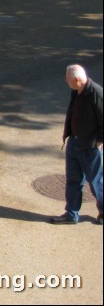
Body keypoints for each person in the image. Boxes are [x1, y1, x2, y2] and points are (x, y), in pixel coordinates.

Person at [50, 65, 103, 225]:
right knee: (73, 180)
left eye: (67, 79)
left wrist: (99, 141)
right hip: (74, 142)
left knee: (96, 181)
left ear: (76, 80)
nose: (65, 81)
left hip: (89, 146)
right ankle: (71, 214)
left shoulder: (97, 94)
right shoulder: (76, 92)